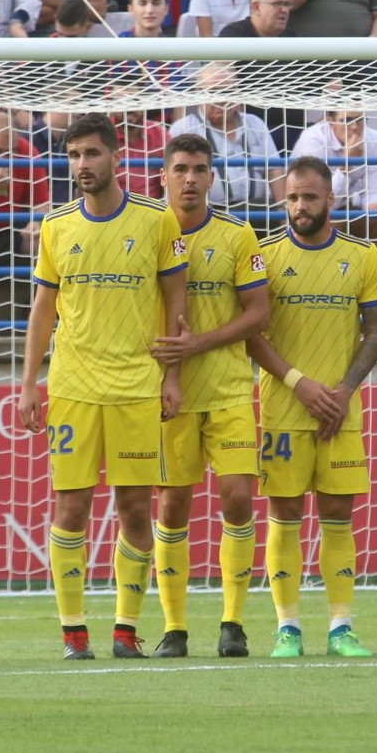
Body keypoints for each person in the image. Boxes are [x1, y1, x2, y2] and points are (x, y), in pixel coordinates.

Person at [17, 113, 189, 661]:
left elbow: (176, 301)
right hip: (72, 386)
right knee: (70, 507)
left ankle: (125, 629)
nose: (82, 165)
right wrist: (29, 382)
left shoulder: (157, 222)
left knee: (136, 508)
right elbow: (42, 309)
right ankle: (73, 633)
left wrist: (172, 374)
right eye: (73, 155)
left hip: (136, 385)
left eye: (91, 153)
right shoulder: (56, 226)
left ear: (116, 157)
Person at [248, 156, 377, 658]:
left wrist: (345, 391)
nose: (300, 206)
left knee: (337, 515)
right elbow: (253, 335)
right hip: (284, 408)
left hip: (340, 413)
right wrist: (298, 383)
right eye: (292, 198)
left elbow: (376, 331)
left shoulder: (363, 255)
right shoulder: (263, 255)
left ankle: (340, 627)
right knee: (284, 514)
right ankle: (287, 628)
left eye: (309, 197)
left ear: (330, 198)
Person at [138, 134, 270, 658]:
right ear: (163, 177)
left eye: (198, 169)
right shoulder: (146, 232)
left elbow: (259, 313)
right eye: (180, 169)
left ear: (212, 177)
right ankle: (174, 628)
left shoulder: (237, 235)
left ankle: (232, 623)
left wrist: (200, 343)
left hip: (229, 389)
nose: (189, 178)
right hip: (167, 393)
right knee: (171, 506)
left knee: (237, 497)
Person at [167, 62, 284, 208]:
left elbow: (275, 169)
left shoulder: (255, 124)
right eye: (213, 92)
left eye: (227, 92)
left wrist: (282, 212)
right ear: (199, 95)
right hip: (208, 213)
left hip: (259, 212)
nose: (221, 100)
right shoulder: (183, 129)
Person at [218, 0, 295, 37]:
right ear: (256, 7)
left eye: (287, 4)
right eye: (277, 4)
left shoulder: (291, 37)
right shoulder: (233, 35)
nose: (285, 10)